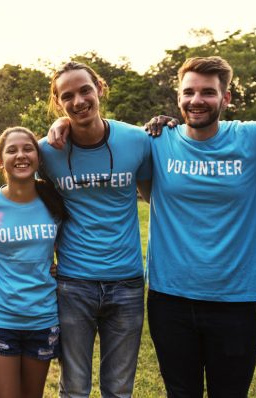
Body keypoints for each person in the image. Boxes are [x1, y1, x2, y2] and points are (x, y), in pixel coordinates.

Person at [144, 56, 256, 397]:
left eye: (208, 92)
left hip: (235, 300)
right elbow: (100, 135)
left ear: (226, 98)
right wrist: (61, 124)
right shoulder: (157, 140)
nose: (197, 100)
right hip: (169, 300)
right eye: (188, 92)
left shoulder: (255, 137)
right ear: (178, 96)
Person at [40, 62, 151, 398]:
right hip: (74, 283)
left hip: (127, 282)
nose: (78, 101)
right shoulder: (47, 151)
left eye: (85, 90)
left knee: (119, 389)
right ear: (58, 102)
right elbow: (24, 195)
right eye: (67, 96)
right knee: (74, 388)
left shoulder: (137, 140)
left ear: (100, 88)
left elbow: (153, 196)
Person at [0, 127, 66, 398]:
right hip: (0, 317)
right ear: (0, 160)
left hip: (43, 318)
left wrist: (60, 269)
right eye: (12, 150)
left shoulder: (54, 202)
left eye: (28, 149)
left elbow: (67, 245)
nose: (21, 155)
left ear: (39, 158)